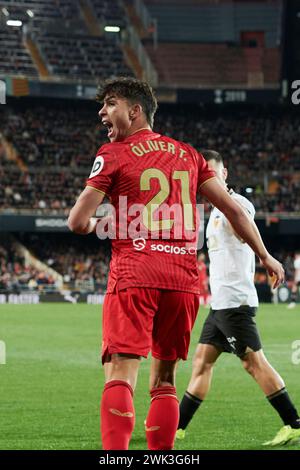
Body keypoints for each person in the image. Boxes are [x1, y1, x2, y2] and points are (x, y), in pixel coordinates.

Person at [68, 77, 284, 450]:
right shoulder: (188, 154)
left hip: (135, 273)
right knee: (165, 380)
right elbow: (232, 209)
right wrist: (265, 255)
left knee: (120, 374)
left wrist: (95, 223)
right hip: (182, 281)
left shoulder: (113, 152)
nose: (102, 111)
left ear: (135, 112)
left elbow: (76, 221)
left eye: (110, 104)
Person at [176, 150, 300, 447]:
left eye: (214, 173)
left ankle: (294, 423)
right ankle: (177, 427)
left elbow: (245, 227)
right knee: (202, 363)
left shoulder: (236, 204)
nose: (209, 179)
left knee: (253, 363)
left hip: (235, 303)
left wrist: (266, 257)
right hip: (219, 305)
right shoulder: (214, 213)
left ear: (225, 174)